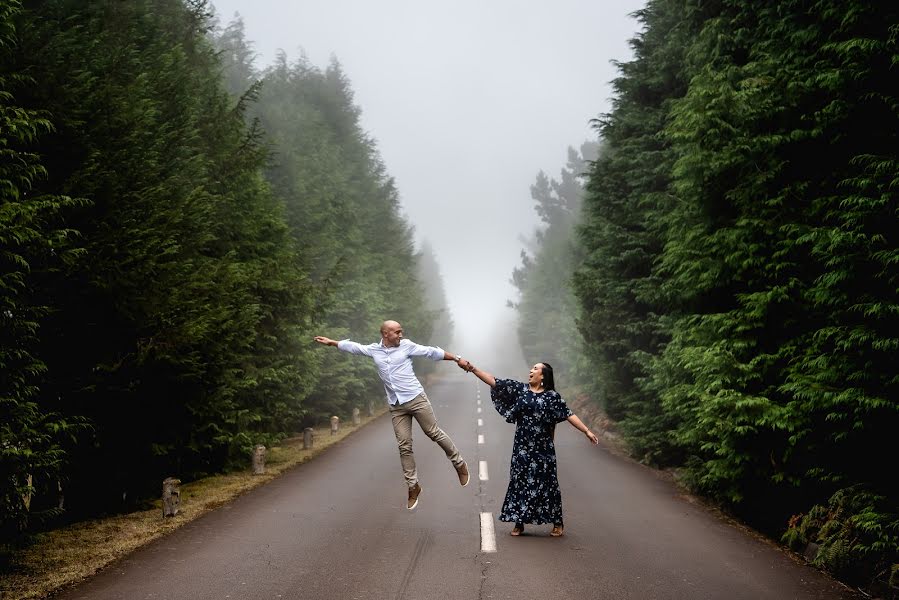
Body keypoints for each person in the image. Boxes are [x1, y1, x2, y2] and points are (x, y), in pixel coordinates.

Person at [313, 320, 470, 510]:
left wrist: (456, 358)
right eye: (397, 332)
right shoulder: (374, 350)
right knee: (404, 445)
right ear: (385, 334)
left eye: (401, 331)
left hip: (416, 399)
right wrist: (332, 342)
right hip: (397, 406)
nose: (401, 335)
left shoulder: (407, 346)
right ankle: (413, 486)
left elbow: (431, 352)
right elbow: (355, 347)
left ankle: (459, 463)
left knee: (433, 433)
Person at [456, 358, 597, 537]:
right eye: (532, 368)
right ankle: (519, 521)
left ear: (543, 376)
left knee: (548, 484)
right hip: (522, 448)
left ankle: (557, 522)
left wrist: (587, 431)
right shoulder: (521, 390)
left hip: (544, 450)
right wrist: (473, 369)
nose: (531, 370)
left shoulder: (552, 397)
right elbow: (494, 381)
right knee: (519, 481)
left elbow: (569, 414)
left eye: (536, 368)